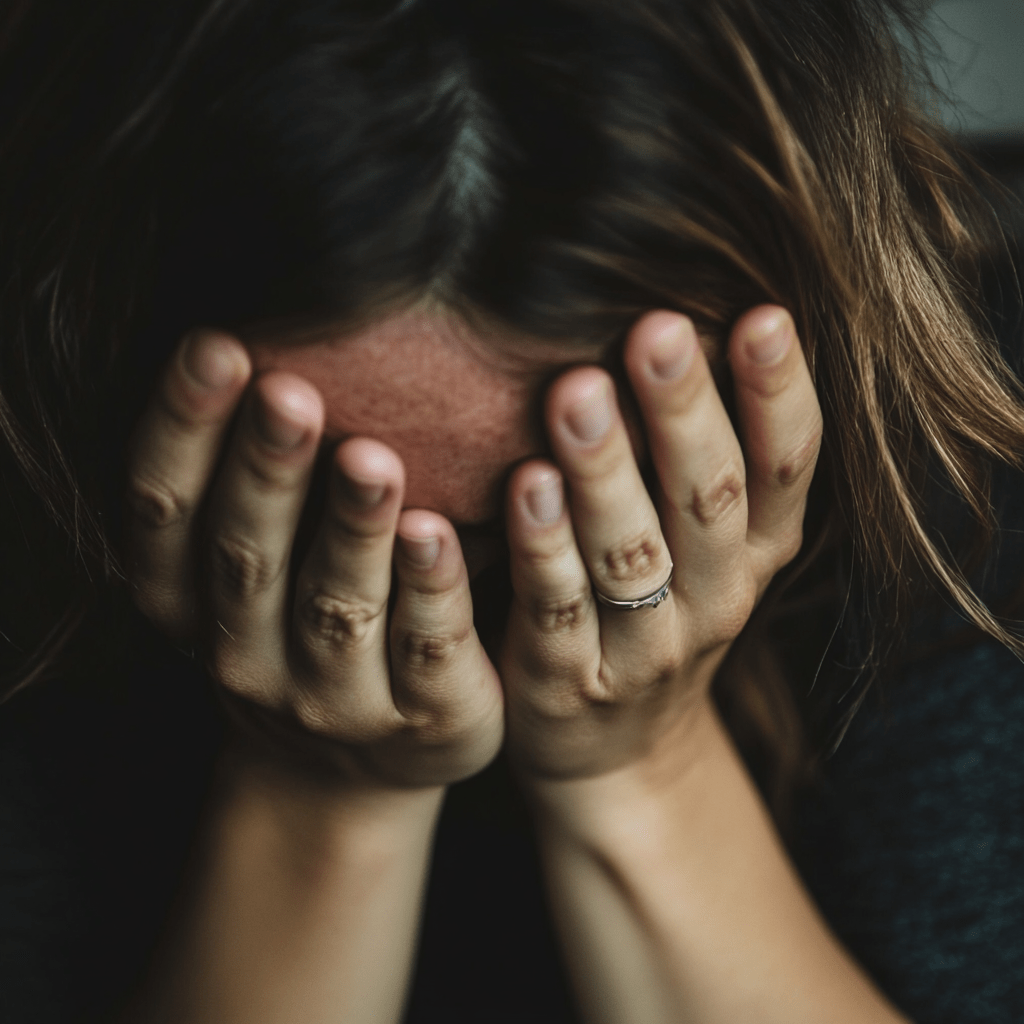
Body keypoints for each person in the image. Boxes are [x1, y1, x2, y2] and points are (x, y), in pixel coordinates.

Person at [0, 1, 1021, 1022]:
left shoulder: (977, 488)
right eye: (330, 508)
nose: (437, 595)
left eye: (572, 503)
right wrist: (318, 798)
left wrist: (645, 771)